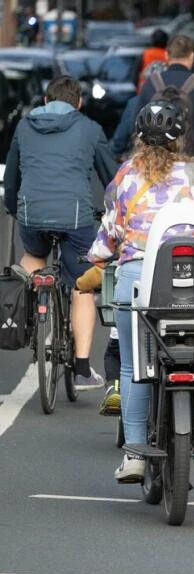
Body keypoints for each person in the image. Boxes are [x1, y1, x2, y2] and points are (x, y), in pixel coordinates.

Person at [84, 100, 194, 482]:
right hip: (193, 278)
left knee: (133, 366)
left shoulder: (126, 176)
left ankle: (134, 454)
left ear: (138, 137)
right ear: (180, 138)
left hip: (138, 279)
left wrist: (96, 257)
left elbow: (109, 235)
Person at [3, 75, 117, 389]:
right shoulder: (90, 128)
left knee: (34, 254)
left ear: (44, 101)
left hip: (32, 214)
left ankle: (25, 314)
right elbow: (113, 181)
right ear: (78, 103)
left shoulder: (24, 127)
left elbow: (12, 177)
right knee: (82, 285)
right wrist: (115, 212)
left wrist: (14, 208)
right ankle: (81, 369)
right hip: (76, 216)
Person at [137, 34, 194, 161]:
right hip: (192, 159)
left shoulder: (151, 83)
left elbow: (135, 127)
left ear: (167, 55)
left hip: (156, 162)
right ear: (192, 56)